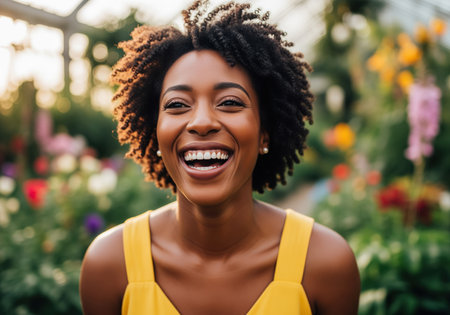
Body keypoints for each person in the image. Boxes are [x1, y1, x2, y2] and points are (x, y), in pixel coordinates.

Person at [79, 1, 360, 314]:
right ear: (154, 130)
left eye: (229, 102)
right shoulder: (109, 266)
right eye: (176, 105)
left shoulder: (325, 265)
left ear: (265, 132)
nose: (201, 122)